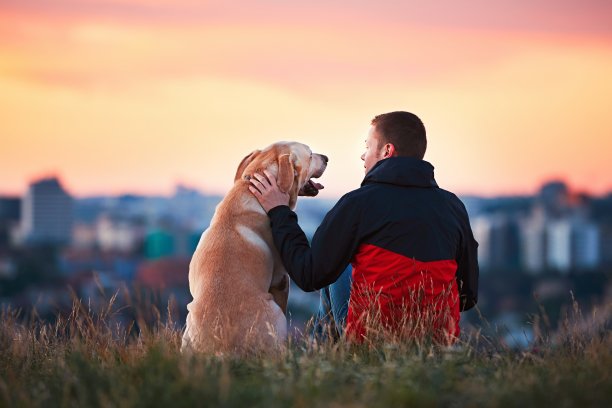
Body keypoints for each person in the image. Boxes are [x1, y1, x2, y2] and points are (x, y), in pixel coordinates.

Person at [249, 111, 479, 343]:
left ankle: (322, 363)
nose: (362, 155)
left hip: (373, 339)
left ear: (387, 151)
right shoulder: (453, 207)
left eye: (368, 146)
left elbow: (308, 275)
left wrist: (279, 211)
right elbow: (467, 296)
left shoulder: (358, 204)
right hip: (437, 341)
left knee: (336, 268)